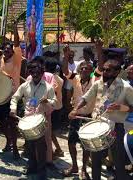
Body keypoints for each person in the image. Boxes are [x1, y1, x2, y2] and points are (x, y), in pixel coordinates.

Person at [69, 56, 133, 180]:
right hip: (98, 126)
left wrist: (120, 107)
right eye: (104, 70)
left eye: (108, 70)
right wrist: (75, 109)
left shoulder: (126, 88)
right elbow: (85, 98)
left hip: (116, 128)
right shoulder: (98, 84)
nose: (104, 73)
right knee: (96, 161)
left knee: (118, 162)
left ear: (117, 72)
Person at [10, 56, 57, 178]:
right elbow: (15, 97)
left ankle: (42, 171)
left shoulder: (48, 87)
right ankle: (31, 167)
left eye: (38, 72)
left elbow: (55, 102)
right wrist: (13, 109)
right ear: (30, 73)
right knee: (29, 145)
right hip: (27, 120)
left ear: (42, 73)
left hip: (41, 120)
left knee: (41, 147)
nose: (35, 74)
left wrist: (48, 101)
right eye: (32, 72)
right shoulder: (25, 86)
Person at [61, 46, 94, 179]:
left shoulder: (95, 80)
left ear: (91, 71)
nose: (84, 69)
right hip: (75, 116)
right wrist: (65, 55)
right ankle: (74, 166)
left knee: (86, 145)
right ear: (79, 70)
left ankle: (84, 169)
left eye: (87, 68)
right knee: (71, 142)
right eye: (82, 68)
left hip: (88, 117)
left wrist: (97, 48)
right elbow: (64, 70)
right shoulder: (75, 79)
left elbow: (101, 68)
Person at [0, 22, 22, 158]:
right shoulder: (2, 59)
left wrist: (15, 29)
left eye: (10, 50)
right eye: (6, 50)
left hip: (13, 95)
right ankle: (9, 142)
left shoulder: (16, 59)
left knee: (12, 123)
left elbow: (16, 44)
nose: (8, 51)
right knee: (2, 121)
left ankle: (15, 148)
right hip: (1, 96)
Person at [44, 58, 64, 159]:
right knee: (49, 131)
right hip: (58, 106)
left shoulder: (52, 78)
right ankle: (55, 150)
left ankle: (56, 150)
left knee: (49, 131)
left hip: (53, 107)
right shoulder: (58, 77)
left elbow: (53, 93)